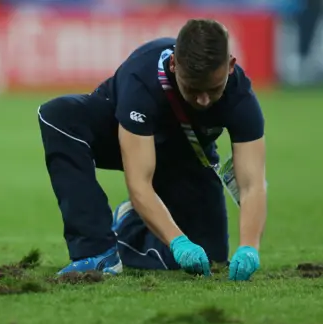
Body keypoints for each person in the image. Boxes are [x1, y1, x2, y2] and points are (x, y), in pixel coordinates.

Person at [36, 19, 267, 281]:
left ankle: (130, 227)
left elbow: (251, 184)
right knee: (59, 116)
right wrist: (178, 241)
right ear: (173, 65)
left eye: (213, 89)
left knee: (209, 259)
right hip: (122, 134)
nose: (203, 100)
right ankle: (96, 251)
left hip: (185, 154)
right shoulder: (142, 81)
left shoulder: (241, 98)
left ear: (231, 66)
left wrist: (249, 247)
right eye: (193, 89)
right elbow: (140, 184)